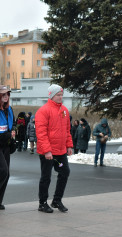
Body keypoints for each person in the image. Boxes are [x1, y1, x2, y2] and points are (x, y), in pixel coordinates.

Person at [36, 84, 73, 213]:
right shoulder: (43, 111)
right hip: (48, 153)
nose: (60, 97)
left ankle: (57, 200)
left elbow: (67, 130)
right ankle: (43, 203)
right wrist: (47, 150)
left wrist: (69, 145)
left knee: (64, 172)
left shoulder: (64, 110)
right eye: (58, 95)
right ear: (51, 95)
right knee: (46, 177)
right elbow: (41, 133)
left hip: (60, 152)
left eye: (62, 95)